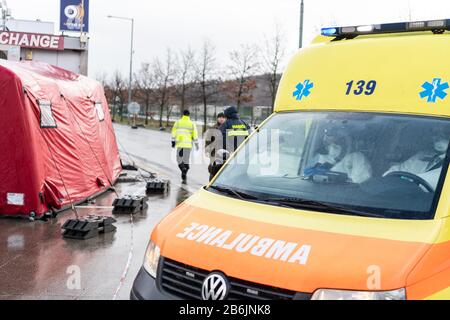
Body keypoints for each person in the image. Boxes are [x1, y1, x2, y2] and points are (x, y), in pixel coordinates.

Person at [384, 126, 450, 190]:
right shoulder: (422, 155)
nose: (437, 138)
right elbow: (393, 172)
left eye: (444, 134)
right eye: (435, 133)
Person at [305, 125, 372, 184]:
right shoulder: (322, 154)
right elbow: (306, 176)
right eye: (328, 134)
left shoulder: (358, 158)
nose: (328, 138)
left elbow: (357, 184)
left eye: (333, 135)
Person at [171, 110, 199, 181]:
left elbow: (173, 132)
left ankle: (183, 169)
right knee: (186, 160)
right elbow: (195, 134)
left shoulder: (178, 122)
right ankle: (185, 170)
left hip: (180, 145)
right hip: (188, 145)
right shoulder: (192, 123)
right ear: (189, 115)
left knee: (179, 160)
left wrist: (173, 141)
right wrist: (196, 144)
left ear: (183, 114)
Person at [205, 113, 226, 180]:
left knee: (223, 171)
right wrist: (207, 150)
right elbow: (208, 140)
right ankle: (211, 184)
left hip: (224, 153)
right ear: (217, 118)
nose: (221, 119)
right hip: (214, 152)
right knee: (213, 170)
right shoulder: (213, 128)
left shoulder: (227, 127)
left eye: (223, 117)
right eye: (220, 117)